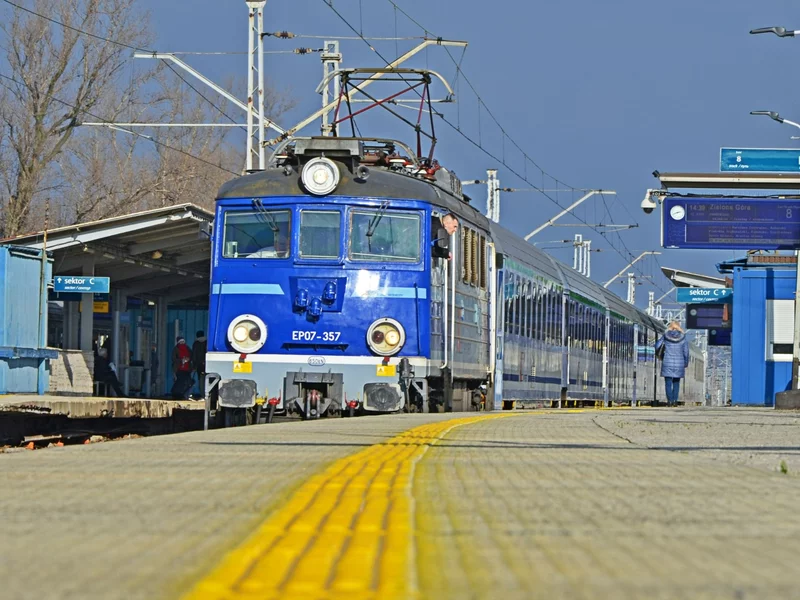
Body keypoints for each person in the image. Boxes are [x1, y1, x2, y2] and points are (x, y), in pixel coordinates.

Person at [655, 321, 689, 406]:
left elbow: (657, 346)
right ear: (679, 328)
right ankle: (674, 401)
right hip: (679, 363)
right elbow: (686, 352)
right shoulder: (683, 338)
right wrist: (685, 362)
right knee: (676, 383)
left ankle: (669, 401)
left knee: (668, 383)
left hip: (667, 362)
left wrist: (666, 332)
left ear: (670, 327)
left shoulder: (665, 336)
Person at [171, 336, 194, 400]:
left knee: (188, 382)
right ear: (178, 342)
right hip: (179, 368)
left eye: (183, 341)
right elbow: (173, 359)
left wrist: (188, 359)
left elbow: (192, 356)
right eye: (181, 341)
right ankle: (176, 394)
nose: (182, 343)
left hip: (187, 369)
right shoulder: (176, 349)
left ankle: (184, 395)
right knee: (179, 382)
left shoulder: (187, 348)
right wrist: (181, 360)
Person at [192, 330, 207, 399]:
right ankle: (207, 394)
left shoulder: (196, 343)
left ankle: (202, 394)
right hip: (206, 363)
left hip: (198, 364)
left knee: (200, 378)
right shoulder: (207, 342)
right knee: (207, 379)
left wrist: (194, 364)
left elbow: (194, 355)